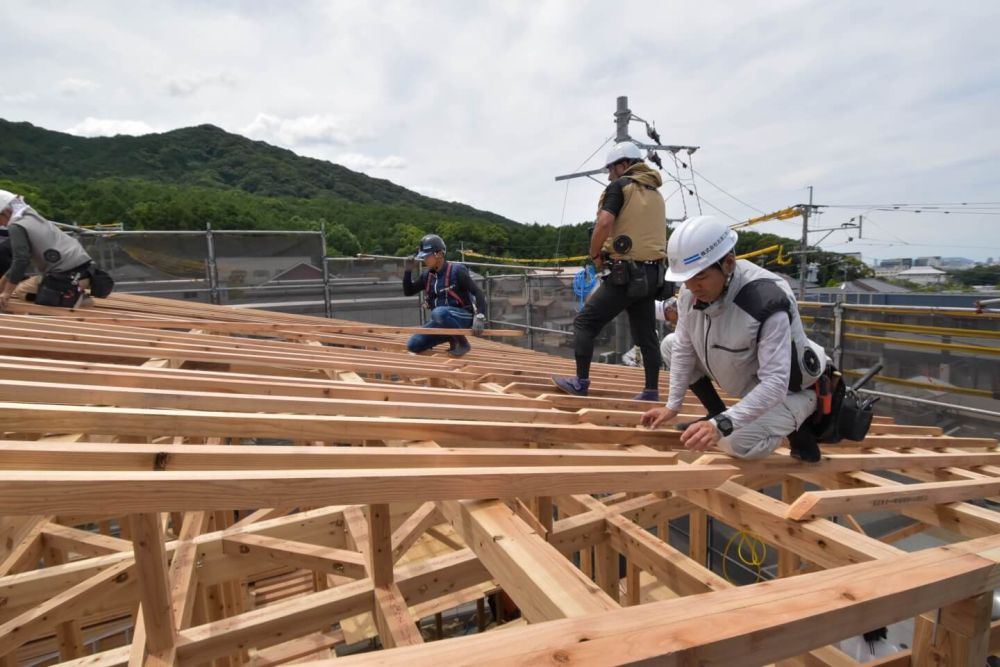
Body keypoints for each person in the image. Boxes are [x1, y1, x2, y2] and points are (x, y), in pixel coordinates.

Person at [639, 215, 827, 462]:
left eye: (701, 276)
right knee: (670, 345)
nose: (692, 286)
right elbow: (684, 348)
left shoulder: (765, 301)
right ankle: (717, 413)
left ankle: (797, 425)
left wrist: (721, 427)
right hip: (748, 374)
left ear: (728, 263)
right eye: (686, 278)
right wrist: (672, 406)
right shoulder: (689, 292)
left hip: (791, 390)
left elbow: (775, 383)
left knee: (735, 443)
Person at [552, 141, 667, 400]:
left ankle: (580, 383)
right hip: (652, 276)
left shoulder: (620, 187)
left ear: (623, 164)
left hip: (626, 275)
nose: (609, 174)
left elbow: (604, 223)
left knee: (584, 322)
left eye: (611, 168)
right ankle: (651, 390)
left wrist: (595, 255)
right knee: (646, 334)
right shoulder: (655, 192)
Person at [0, 189, 114, 310]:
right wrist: (2, 284)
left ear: (5, 212)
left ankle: (70, 298)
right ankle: (74, 293)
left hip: (66, 277)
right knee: (28, 284)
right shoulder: (31, 215)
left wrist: (6, 293)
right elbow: (17, 263)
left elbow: (21, 261)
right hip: (87, 272)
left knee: (21, 290)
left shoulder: (16, 226)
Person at [402, 233, 487, 357]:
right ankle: (451, 337)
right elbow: (408, 291)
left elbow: (478, 292)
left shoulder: (457, 271)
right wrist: (407, 271)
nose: (425, 259)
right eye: (423, 256)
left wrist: (479, 316)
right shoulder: (427, 276)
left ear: (440, 254)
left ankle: (463, 344)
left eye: (427, 256)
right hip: (441, 320)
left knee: (439, 312)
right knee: (413, 344)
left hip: (461, 317)